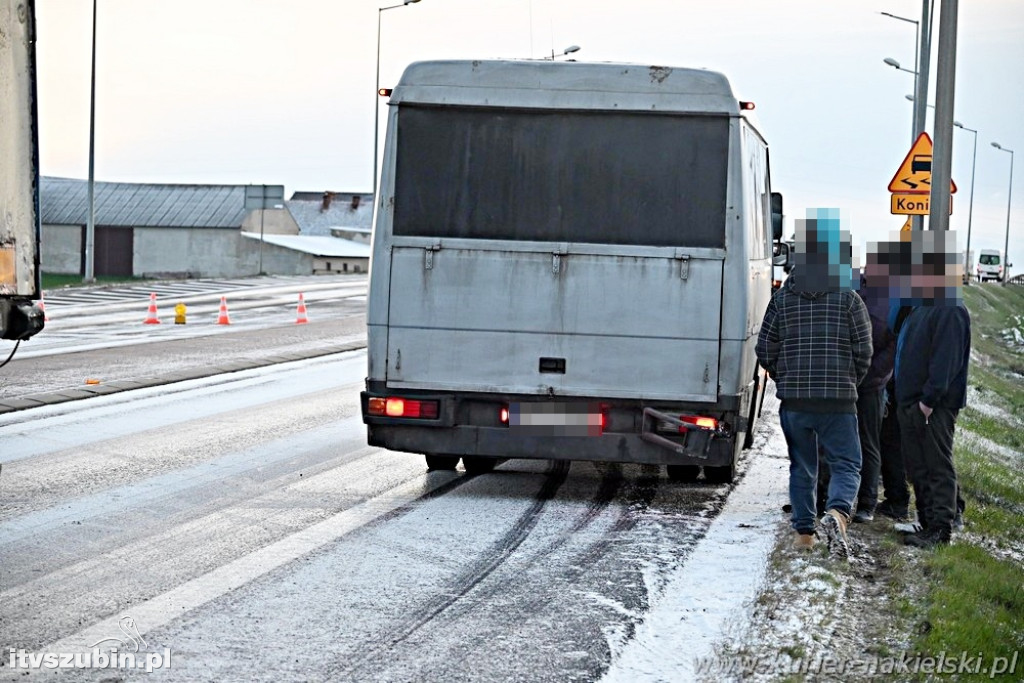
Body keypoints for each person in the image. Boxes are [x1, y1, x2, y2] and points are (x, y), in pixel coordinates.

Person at [756, 210, 873, 557]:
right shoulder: (850, 300)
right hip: (839, 401)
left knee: (802, 466)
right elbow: (864, 351)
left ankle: (804, 535)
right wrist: (849, 380)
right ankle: (837, 512)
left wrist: (786, 378)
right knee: (848, 463)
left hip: (796, 403)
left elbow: (765, 348)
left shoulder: (782, 299)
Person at [893, 242, 971, 548]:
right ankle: (927, 522)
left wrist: (928, 401)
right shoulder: (924, 303)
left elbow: (945, 363)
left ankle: (941, 529)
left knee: (937, 464)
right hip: (913, 401)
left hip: (933, 406)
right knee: (918, 465)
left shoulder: (950, 309)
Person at [851, 264, 896, 523]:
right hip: (847, 380)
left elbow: (893, 345)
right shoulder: (853, 286)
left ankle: (867, 503)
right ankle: (834, 497)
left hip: (872, 385)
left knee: (869, 443)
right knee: (839, 441)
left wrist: (871, 374)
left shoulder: (892, 299)